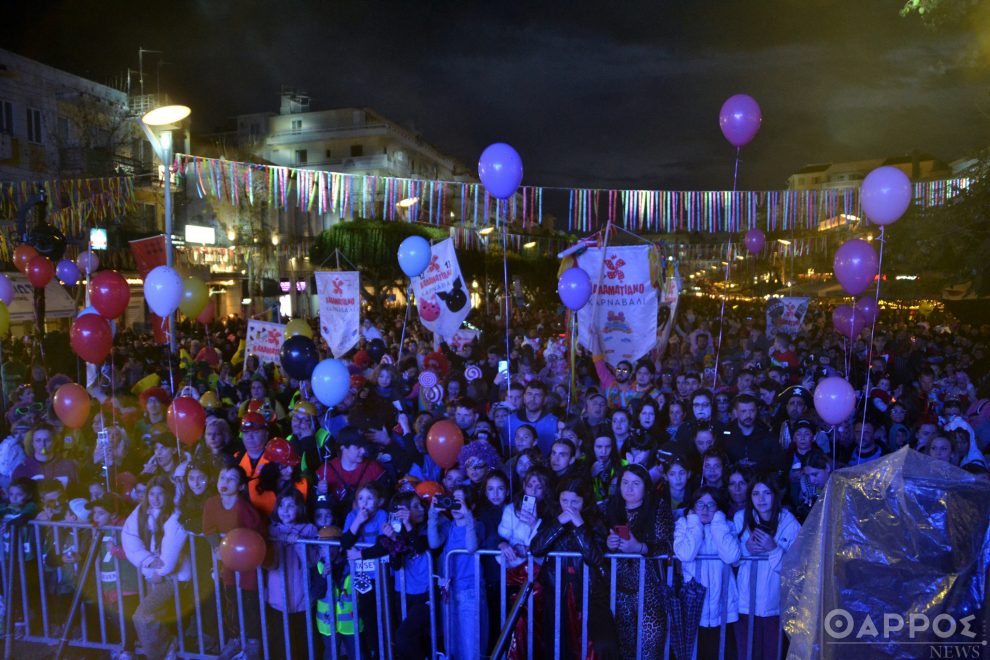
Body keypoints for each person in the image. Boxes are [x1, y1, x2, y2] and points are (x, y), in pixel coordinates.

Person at [529, 478, 619, 659]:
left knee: (600, 645)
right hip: (557, 590)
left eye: (575, 502)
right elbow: (536, 548)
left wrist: (580, 526)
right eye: (564, 501)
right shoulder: (553, 517)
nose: (569, 507)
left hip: (590, 592)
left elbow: (595, 557)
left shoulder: (595, 521)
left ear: (584, 501)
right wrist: (559, 523)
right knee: (558, 646)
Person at [604, 464, 674, 659]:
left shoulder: (657, 507)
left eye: (636, 483)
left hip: (649, 589)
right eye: (625, 482)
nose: (629, 488)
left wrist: (640, 548)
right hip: (620, 590)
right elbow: (598, 541)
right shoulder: (610, 507)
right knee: (625, 648)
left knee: (650, 648)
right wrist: (608, 544)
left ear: (646, 487)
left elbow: (667, 545)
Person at [122, 476, 191, 660]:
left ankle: (163, 651)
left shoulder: (175, 514)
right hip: (151, 573)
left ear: (168, 495)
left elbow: (172, 545)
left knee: (142, 616)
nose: (155, 498)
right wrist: (147, 560)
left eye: (160, 494)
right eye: (152, 494)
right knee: (157, 617)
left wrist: (160, 571)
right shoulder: (141, 511)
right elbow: (129, 537)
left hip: (171, 577)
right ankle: (168, 651)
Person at [734, 477, 800, 660]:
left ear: (775, 495)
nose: (761, 499)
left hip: (774, 605)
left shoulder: (790, 523)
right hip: (745, 602)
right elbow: (731, 559)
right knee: (747, 654)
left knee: (772, 654)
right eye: (755, 494)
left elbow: (796, 568)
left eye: (766, 493)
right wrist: (745, 549)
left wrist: (774, 549)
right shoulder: (740, 518)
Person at [674, 485, 742, 660]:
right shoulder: (684, 525)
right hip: (695, 603)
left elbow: (732, 556)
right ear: (693, 506)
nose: (705, 509)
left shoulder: (726, 526)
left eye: (711, 505)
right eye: (700, 504)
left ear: (718, 508)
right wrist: (694, 524)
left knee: (722, 651)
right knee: (698, 652)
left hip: (723, 602)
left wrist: (718, 524)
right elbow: (686, 554)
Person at [428, 486, 485, 659]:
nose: (456, 506)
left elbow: (471, 547)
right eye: (454, 501)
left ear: (471, 505)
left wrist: (468, 517)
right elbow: (434, 543)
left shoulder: (478, 525)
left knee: (470, 647)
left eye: (460, 502)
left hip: (470, 592)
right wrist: (433, 515)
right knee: (452, 646)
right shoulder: (448, 526)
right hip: (449, 592)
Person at [266, 489, 319, 660]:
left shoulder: (310, 530)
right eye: (282, 505)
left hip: (303, 599)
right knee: (281, 644)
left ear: (300, 508)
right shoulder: (271, 531)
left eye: (291, 506)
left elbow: (312, 561)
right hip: (277, 599)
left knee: (304, 643)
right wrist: (280, 541)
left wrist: (298, 542)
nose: (285, 510)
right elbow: (270, 562)